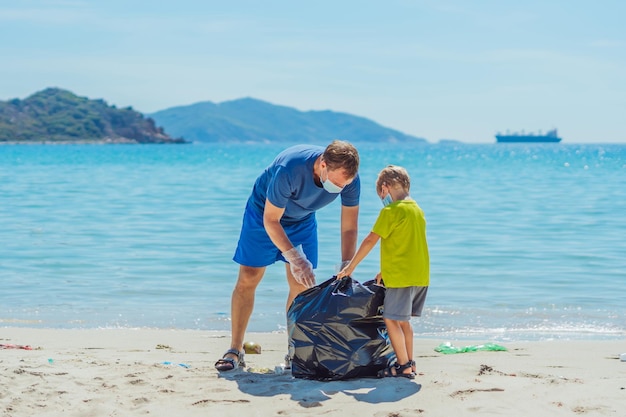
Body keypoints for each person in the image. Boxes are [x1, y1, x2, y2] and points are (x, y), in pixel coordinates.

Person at [214, 140, 361, 372]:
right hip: (263, 216)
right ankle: (235, 349)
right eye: (335, 183)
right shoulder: (289, 169)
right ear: (323, 165)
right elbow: (271, 220)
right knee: (249, 277)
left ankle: (295, 352)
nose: (339, 188)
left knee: (301, 285)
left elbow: (349, 227)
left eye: (344, 185)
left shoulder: (349, 179)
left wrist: (347, 265)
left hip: (302, 221)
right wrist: (295, 257)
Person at [336, 165, 429, 379]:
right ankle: (410, 363)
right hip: (420, 274)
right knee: (403, 320)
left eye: (380, 193)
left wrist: (350, 267)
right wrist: (384, 270)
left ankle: (403, 365)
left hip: (401, 277)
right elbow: (407, 245)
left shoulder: (391, 211)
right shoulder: (416, 209)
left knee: (390, 319)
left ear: (384, 188)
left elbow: (370, 240)